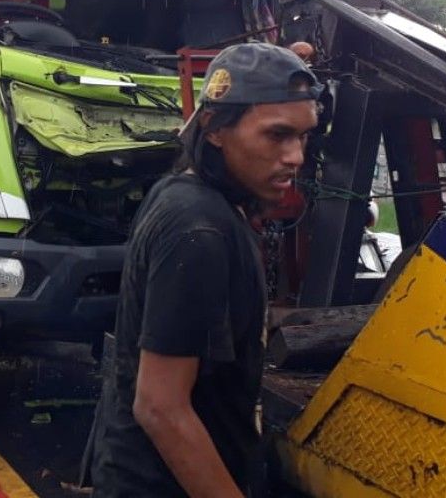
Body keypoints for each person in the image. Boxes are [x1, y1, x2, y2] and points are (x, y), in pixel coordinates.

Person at [91, 42, 322, 498]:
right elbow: (160, 407)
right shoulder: (198, 230)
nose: (296, 156)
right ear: (215, 128)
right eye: (276, 136)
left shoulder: (193, 196)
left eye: (303, 136)